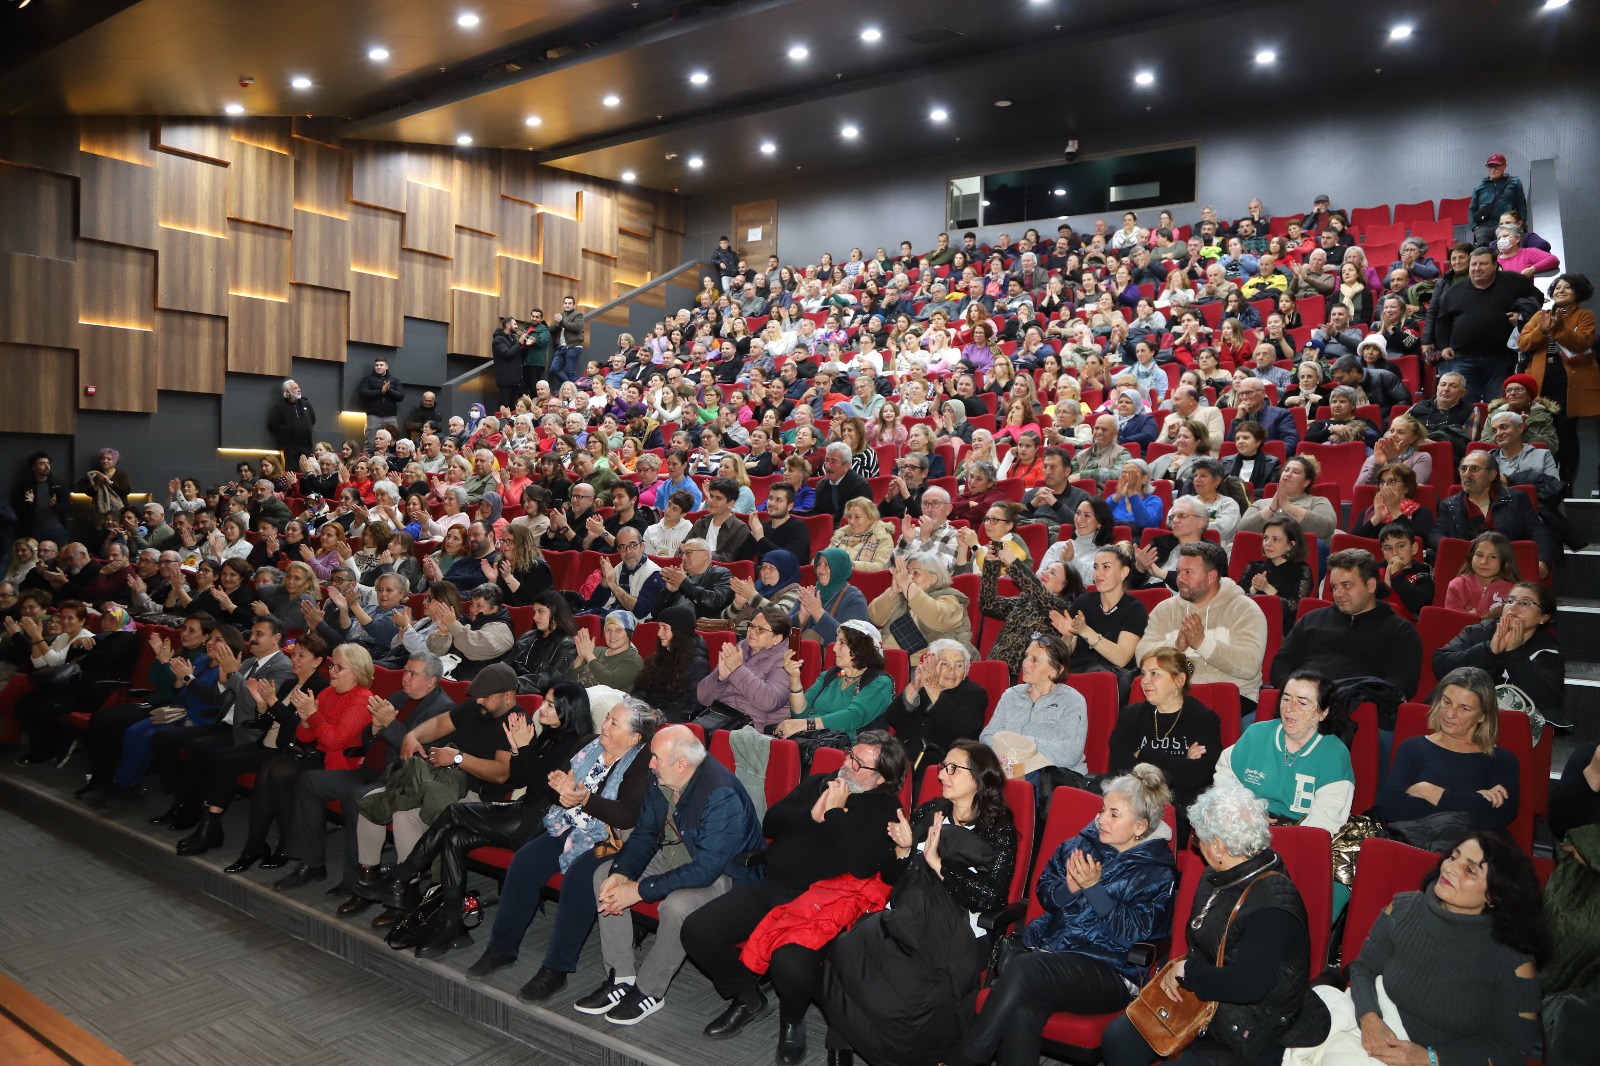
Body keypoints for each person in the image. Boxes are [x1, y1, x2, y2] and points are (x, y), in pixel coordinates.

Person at [680, 731, 906, 1047]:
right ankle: (747, 996)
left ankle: (792, 1019)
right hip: (773, 884)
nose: (847, 764)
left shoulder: (886, 810)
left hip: (818, 904)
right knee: (697, 930)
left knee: (789, 964)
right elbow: (771, 822)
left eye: (859, 763)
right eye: (849, 755)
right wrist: (812, 816)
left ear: (881, 779)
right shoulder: (821, 783)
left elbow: (861, 865)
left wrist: (834, 814)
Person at [950, 765, 1178, 1066]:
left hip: (1111, 971)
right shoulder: (1082, 844)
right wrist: (1068, 889)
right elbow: (1044, 891)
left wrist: (1095, 890)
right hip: (1056, 952)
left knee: (1024, 969)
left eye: (1113, 814)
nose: (1101, 820)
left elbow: (1134, 935)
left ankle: (965, 1059)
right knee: (1022, 1012)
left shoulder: (1156, 870)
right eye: (1103, 810)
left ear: (1140, 827)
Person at [1100, 782, 1332, 1066]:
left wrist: (1187, 971)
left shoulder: (1272, 907)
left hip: (1249, 1027)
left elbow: (1248, 985)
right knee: (1118, 1038)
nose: (1197, 846)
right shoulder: (1219, 875)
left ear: (1220, 846)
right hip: (1205, 1002)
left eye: (1199, 840)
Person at [821, 741, 1019, 1066]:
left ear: (980, 778)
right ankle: (840, 1040)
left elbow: (989, 896)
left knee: (909, 988)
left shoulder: (999, 832)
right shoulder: (930, 811)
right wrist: (903, 850)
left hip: (958, 928)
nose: (943, 773)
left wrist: (939, 864)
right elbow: (892, 874)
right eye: (943, 766)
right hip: (909, 912)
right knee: (849, 948)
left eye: (954, 768)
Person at [563, 724, 766, 1027]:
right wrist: (623, 874)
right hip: (676, 853)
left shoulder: (720, 793)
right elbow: (645, 834)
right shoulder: (660, 776)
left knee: (677, 906)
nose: (650, 762)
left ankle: (649, 990)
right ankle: (621, 977)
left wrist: (640, 890)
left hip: (725, 873)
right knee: (605, 876)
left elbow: (706, 869)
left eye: (656, 757)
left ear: (681, 764)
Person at [463, 695, 658, 999]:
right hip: (569, 825)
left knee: (581, 879)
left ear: (634, 738)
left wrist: (583, 799)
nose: (604, 725)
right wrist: (560, 790)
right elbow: (556, 790)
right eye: (607, 718)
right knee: (525, 862)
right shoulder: (588, 743)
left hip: (612, 839)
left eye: (613, 723)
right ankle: (501, 949)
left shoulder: (643, 763)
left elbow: (626, 815)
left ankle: (556, 968)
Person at [1337, 832, 1545, 1066]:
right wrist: (1370, 1018)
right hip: (1373, 1034)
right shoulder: (1403, 908)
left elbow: (1513, 1050)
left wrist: (1430, 1059)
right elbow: (1364, 968)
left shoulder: (1513, 961)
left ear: (1495, 896)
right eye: (1453, 857)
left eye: (1470, 870)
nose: (1450, 868)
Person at [226, 643, 375, 874]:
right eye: (332, 665)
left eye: (339, 667)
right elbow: (305, 736)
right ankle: (254, 846)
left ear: (356, 671)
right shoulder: (327, 693)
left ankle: (282, 847)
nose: (331, 671)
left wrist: (312, 715)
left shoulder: (361, 700)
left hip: (340, 765)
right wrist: (306, 719)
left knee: (278, 772)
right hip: (318, 756)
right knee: (270, 769)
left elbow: (335, 741)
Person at [1379, 666, 1519, 836]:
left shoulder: (1502, 760)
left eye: (1464, 708)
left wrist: (1426, 790)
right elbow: (1392, 807)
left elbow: (1495, 817)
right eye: (1447, 702)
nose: (1450, 714)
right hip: (1416, 848)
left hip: (1471, 857)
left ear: (1483, 716)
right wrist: (1473, 800)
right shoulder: (1412, 748)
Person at [1136, 542, 1268, 711]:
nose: (1180, 579)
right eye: (1178, 572)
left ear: (1211, 576)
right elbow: (1141, 655)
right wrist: (1175, 647)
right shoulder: (1165, 609)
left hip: (1232, 700)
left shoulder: (1245, 610)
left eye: (1188, 572)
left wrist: (1202, 643)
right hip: (1175, 698)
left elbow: (1249, 666)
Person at [1435, 580, 1564, 729]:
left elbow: (1547, 700)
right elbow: (1441, 665)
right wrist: (1488, 650)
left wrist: (1515, 654)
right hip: (1457, 713)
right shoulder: (1479, 632)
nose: (1513, 607)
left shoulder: (1547, 652)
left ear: (1544, 617)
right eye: (1510, 601)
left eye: (1525, 603)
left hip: (1504, 724)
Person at [1109, 649, 1223, 815]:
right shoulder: (1131, 715)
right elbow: (1118, 766)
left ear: (1179, 680)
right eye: (1143, 674)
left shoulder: (1204, 719)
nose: (1145, 681)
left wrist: (1144, 754)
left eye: (1154, 674)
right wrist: (1181, 763)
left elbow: (1199, 776)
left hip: (1182, 806)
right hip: (1133, 800)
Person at [1430, 247, 1542, 402]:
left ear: (1495, 265)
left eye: (1482, 264)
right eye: (1473, 264)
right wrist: (1443, 346)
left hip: (1501, 360)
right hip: (1464, 359)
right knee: (1462, 406)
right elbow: (1442, 320)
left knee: (1497, 407)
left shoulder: (1514, 281)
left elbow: (1537, 298)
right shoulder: (1456, 290)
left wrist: (1523, 316)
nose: (1477, 269)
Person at [1517, 273, 1596, 490]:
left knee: (1565, 429)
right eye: (1558, 287)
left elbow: (1582, 342)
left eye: (1567, 288)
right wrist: (1543, 329)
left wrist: (1556, 328)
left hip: (1568, 378)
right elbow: (1523, 342)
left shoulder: (1584, 315)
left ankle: (1566, 483)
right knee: (1541, 427)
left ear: (1578, 293)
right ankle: (1544, 480)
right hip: (1541, 376)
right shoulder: (1540, 315)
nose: (1560, 291)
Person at [983, 633, 1088, 794]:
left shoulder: (1072, 701)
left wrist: (1023, 744)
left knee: (1018, 779)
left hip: (1054, 776)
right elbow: (987, 737)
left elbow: (1070, 753)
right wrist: (1012, 757)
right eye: (1026, 656)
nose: (1024, 664)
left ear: (1056, 670)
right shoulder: (1011, 695)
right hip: (1009, 766)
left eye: (1035, 660)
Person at [1432, 450, 1557, 578]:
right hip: (1468, 568)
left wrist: (1542, 561)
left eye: (1474, 469)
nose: (1467, 474)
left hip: (1508, 568)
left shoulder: (1516, 499)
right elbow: (1436, 534)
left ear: (1492, 475)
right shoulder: (1449, 505)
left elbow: (1538, 532)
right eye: (1463, 469)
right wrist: (1459, 549)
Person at [773, 619, 896, 740]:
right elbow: (800, 713)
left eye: (842, 642)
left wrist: (805, 725)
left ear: (862, 647)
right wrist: (794, 678)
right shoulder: (829, 676)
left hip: (848, 752)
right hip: (812, 742)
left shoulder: (880, 683)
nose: (834, 648)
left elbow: (853, 717)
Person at [883, 639, 988, 771]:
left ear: (966, 670)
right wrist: (914, 687)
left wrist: (933, 689)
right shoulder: (923, 687)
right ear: (932, 666)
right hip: (898, 756)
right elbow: (893, 718)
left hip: (937, 763)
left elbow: (963, 729)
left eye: (959, 665)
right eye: (945, 664)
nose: (952, 671)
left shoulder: (974, 694)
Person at [693, 604, 793, 732]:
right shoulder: (741, 648)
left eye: (760, 629)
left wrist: (737, 670)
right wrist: (719, 678)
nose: (751, 631)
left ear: (777, 638)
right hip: (720, 718)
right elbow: (702, 697)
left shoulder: (785, 660)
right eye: (751, 626)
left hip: (751, 730)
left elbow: (770, 701)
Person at [868, 551, 975, 659]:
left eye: (915, 573)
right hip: (884, 658)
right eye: (908, 572)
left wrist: (908, 586)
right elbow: (875, 618)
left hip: (927, 664)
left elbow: (936, 617)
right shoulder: (901, 595)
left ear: (933, 578)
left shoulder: (949, 597)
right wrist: (893, 592)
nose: (910, 577)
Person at [631, 604, 711, 723]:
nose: (659, 633)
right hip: (649, 715)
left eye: (665, 628)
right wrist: (635, 706)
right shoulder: (658, 656)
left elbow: (693, 708)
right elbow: (641, 690)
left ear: (678, 631)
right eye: (659, 627)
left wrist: (656, 717)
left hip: (671, 723)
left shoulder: (697, 664)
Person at [1235, 454, 1338, 543]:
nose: (1288, 474)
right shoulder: (1262, 503)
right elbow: (1243, 531)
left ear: (1306, 482)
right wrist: (1271, 509)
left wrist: (1287, 506)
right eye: (1286, 470)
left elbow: (1326, 528)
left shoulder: (1318, 501)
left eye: (1296, 472)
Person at [1240, 514, 1315, 630]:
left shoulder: (1302, 570)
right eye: (1266, 538)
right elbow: (1236, 598)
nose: (1268, 543)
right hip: (1247, 625)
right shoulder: (1254, 566)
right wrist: (1253, 590)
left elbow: (1294, 608)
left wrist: (1267, 588)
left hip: (1280, 630)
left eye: (1275, 539)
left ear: (1291, 545)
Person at [1443, 530, 1520, 618]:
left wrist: (1478, 618)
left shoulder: (1515, 591)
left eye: (1493, 557)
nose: (1484, 562)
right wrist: (1467, 618)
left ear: (1505, 561)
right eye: (1479, 555)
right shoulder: (1457, 586)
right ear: (1471, 557)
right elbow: (1451, 621)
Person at [569, 610, 645, 690]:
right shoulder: (597, 651)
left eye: (619, 630)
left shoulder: (634, 660)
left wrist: (588, 655)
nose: (612, 635)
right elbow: (568, 679)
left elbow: (609, 682)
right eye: (608, 629)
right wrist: (580, 657)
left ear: (629, 634)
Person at [1470, 152, 1529, 244]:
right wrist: (1474, 227)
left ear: (1505, 166)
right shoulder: (1479, 187)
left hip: (1506, 225)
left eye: (1497, 166)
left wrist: (1522, 224)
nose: (1493, 170)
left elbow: (1521, 204)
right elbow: (1472, 208)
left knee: (1507, 250)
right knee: (1483, 254)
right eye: (1490, 166)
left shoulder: (1514, 182)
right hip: (1483, 227)